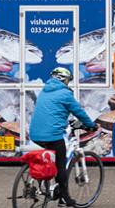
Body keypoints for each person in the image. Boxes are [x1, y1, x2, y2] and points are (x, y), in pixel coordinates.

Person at [29, 67, 98, 207]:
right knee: (61, 166)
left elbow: (51, 112)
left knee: (51, 159)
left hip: (35, 134)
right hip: (52, 135)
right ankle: (64, 198)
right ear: (64, 79)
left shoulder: (44, 91)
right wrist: (91, 125)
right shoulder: (65, 94)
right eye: (68, 80)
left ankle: (44, 184)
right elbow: (79, 112)